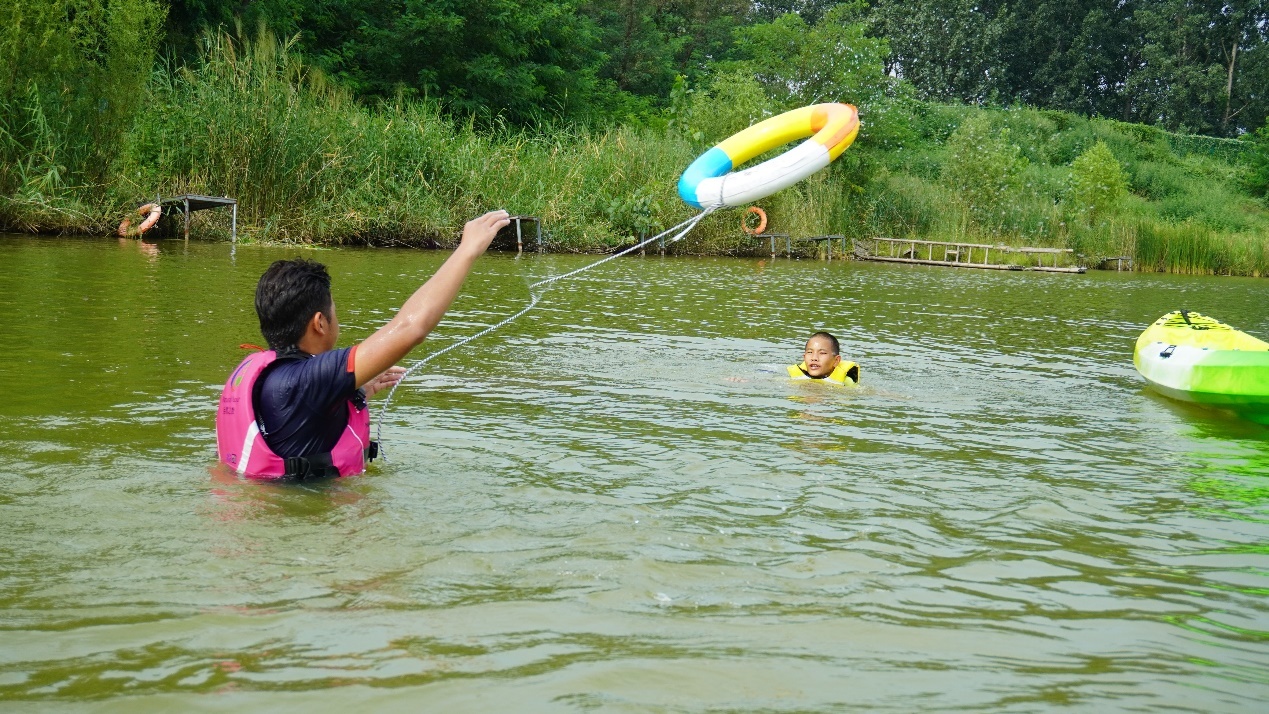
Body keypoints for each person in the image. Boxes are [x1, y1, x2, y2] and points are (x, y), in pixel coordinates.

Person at [216, 209, 511, 480]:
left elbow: (296, 426)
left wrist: (348, 395)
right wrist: (467, 250)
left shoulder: (275, 378)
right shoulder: (308, 382)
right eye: (334, 309)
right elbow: (410, 328)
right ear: (319, 322)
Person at [787, 331, 860, 385]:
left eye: (822, 353)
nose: (814, 358)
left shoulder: (846, 383)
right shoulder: (792, 378)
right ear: (804, 357)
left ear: (836, 361)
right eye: (810, 352)